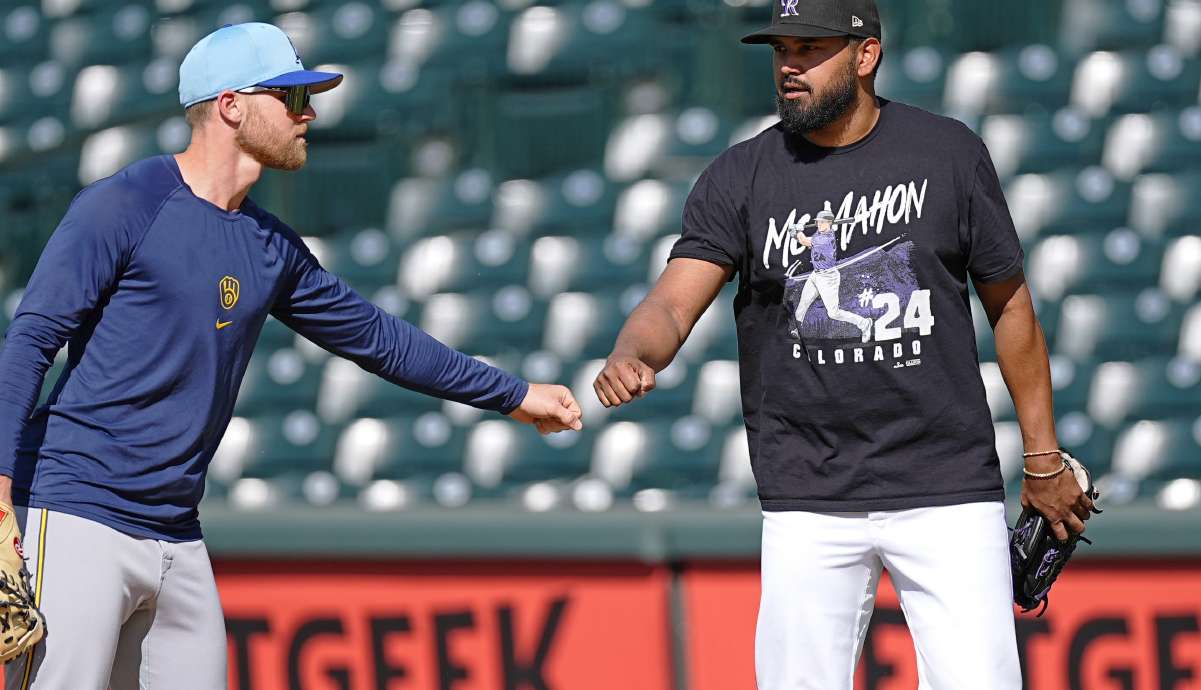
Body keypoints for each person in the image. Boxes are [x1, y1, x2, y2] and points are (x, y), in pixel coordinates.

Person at [0, 22, 582, 690]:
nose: (308, 115)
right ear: (230, 106)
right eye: (291, 99)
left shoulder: (268, 246)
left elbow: (378, 339)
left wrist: (510, 394)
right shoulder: (124, 204)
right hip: (75, 510)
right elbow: (32, 341)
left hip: (177, 533)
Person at [592, 0, 1092, 687]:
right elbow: (672, 303)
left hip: (945, 484)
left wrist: (1042, 458)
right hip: (808, 495)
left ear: (865, 55)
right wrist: (634, 352)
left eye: (810, 48)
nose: (789, 66)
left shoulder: (947, 154)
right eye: (781, 50)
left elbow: (1012, 308)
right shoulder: (741, 176)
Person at [791, 200, 874, 342]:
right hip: (816, 274)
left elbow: (805, 241)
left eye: (822, 222)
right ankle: (796, 330)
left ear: (829, 223)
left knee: (833, 313)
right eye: (818, 222)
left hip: (828, 278)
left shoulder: (826, 239)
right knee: (803, 303)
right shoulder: (819, 234)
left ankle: (864, 323)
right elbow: (808, 240)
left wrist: (797, 232)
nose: (818, 224)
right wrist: (796, 234)